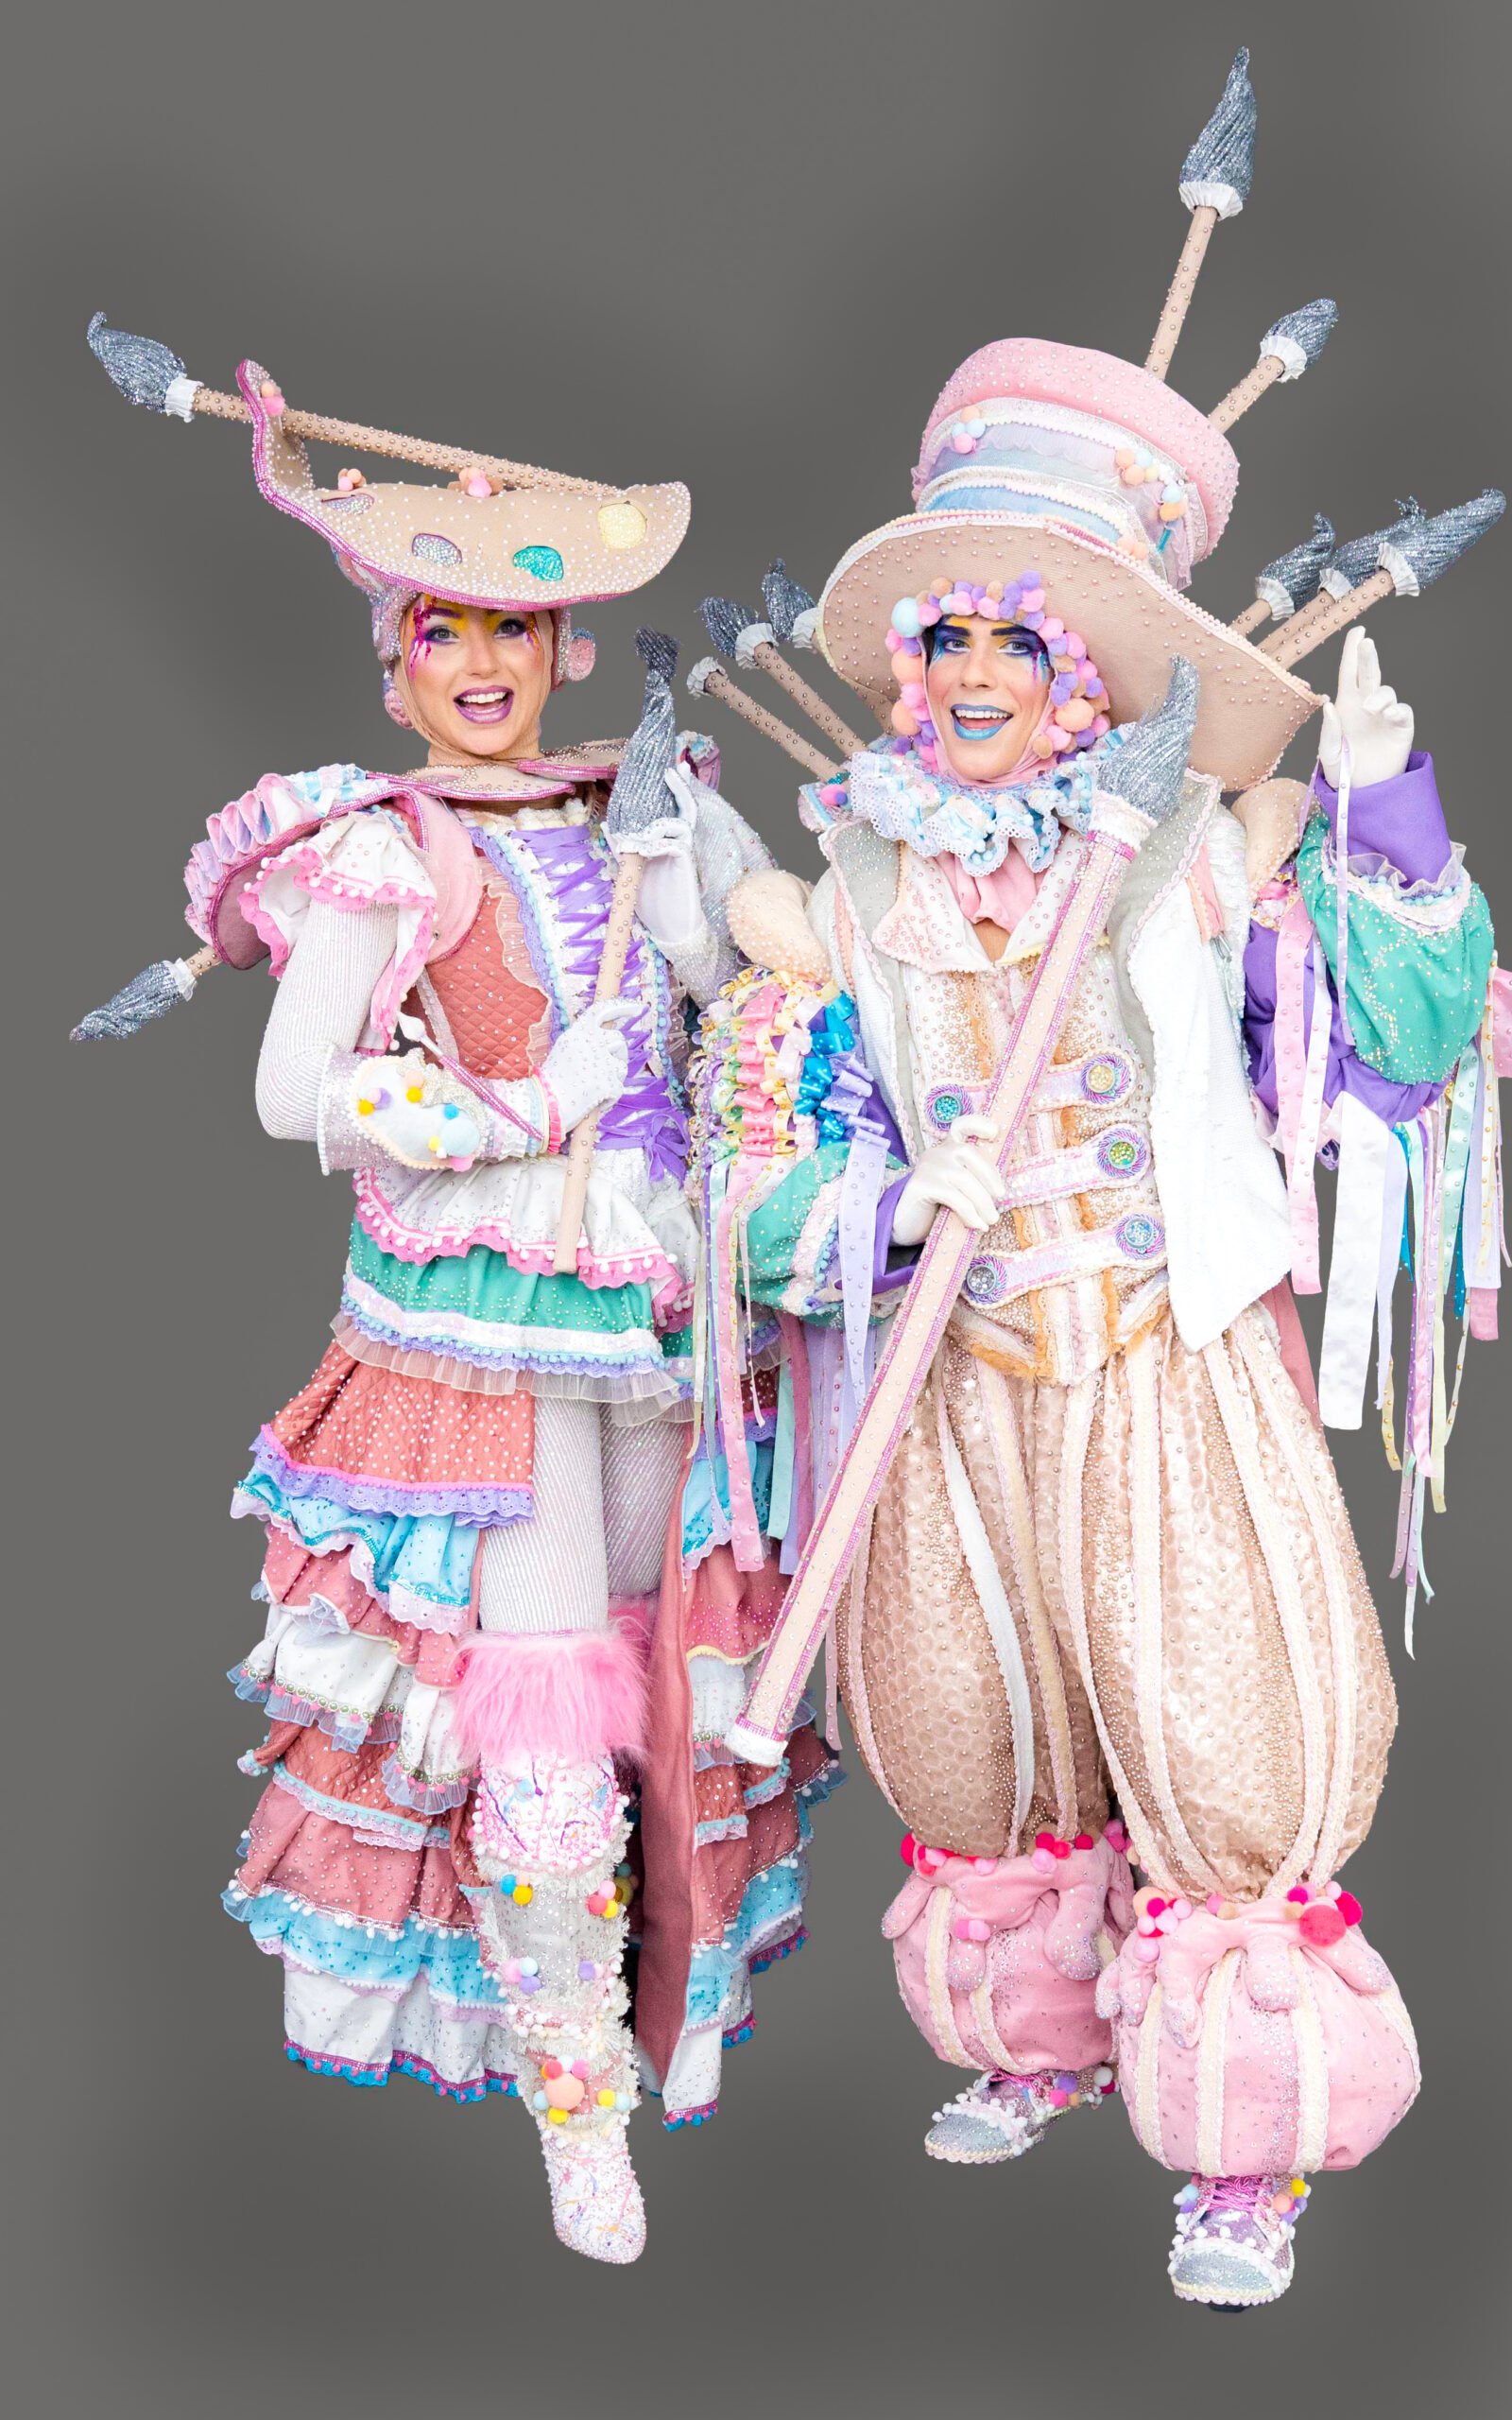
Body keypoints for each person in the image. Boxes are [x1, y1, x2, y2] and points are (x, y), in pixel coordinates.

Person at [688, 206, 1512, 2305]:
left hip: (1164, 1355)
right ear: (907, 670)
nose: (972, 676)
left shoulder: (1196, 860)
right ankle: (1035, 2033)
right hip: (954, 1375)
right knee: (969, 1723)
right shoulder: (839, 893)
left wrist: (1389, 817)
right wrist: (888, 1203)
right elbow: (751, 1170)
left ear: (1085, 680)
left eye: (1016, 644)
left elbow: (1399, 1039)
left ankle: (1246, 2147)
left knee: (1223, 1729)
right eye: (946, 640)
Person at [75, 335, 827, 2265]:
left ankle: (666, 2024)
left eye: (510, 627)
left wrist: (714, 914)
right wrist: (522, 1109)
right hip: (482, 1310)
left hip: (668, 1298)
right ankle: (580, 2113)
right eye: (441, 632)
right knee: (543, 1702)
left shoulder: (645, 800)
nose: (478, 664)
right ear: (392, 661)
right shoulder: (376, 848)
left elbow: (751, 995)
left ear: (561, 645)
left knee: (678, 1668)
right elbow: (292, 1090)